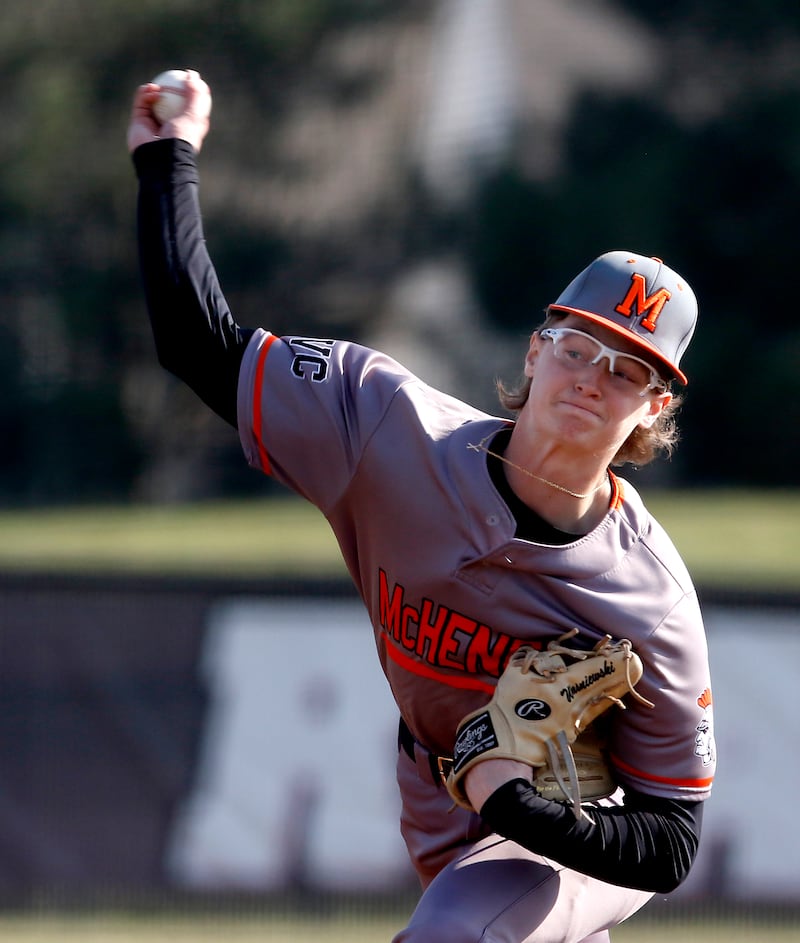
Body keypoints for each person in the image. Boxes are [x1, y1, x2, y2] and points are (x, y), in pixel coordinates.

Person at [127, 71, 716, 943]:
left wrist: (516, 800)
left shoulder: (650, 595)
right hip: (443, 803)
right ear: (536, 346)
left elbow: (671, 840)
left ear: (655, 408)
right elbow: (195, 342)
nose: (592, 378)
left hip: (579, 827)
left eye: (628, 369)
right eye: (578, 346)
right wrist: (166, 160)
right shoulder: (384, 425)